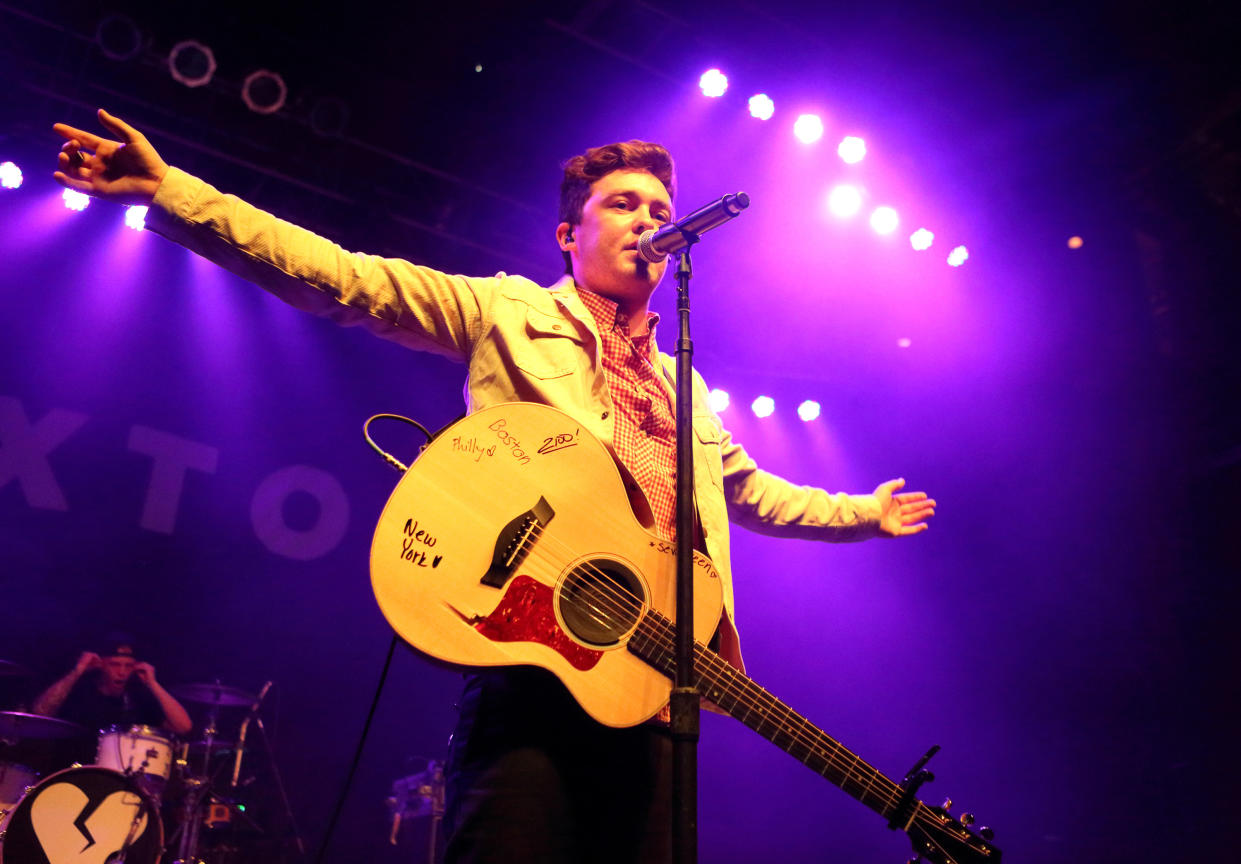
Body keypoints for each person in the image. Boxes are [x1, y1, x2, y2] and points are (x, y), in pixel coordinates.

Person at [51, 110, 936, 863]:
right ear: (568, 234)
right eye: (621, 204)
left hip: (661, 688)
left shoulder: (687, 387)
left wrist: (863, 513)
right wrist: (173, 195)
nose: (647, 221)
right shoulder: (506, 311)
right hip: (534, 667)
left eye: (659, 210)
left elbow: (753, 494)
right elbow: (342, 279)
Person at [32, 633, 193, 738]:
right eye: (115, 665)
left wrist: (153, 683)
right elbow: (40, 712)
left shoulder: (139, 698)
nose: (122, 672)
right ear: (101, 665)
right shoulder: (80, 690)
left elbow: (183, 727)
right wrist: (78, 671)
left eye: (128, 666)